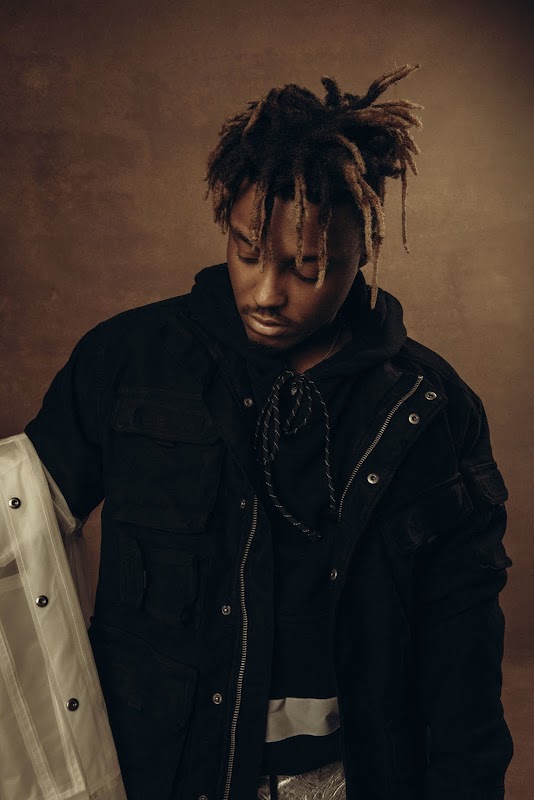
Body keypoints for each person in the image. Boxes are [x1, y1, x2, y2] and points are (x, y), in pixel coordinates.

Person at [21, 64, 513, 800]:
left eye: (307, 267)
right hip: (165, 779)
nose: (265, 292)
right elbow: (19, 534)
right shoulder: (127, 361)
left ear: (361, 252)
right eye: (248, 252)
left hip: (346, 779)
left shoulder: (432, 408)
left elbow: (462, 657)